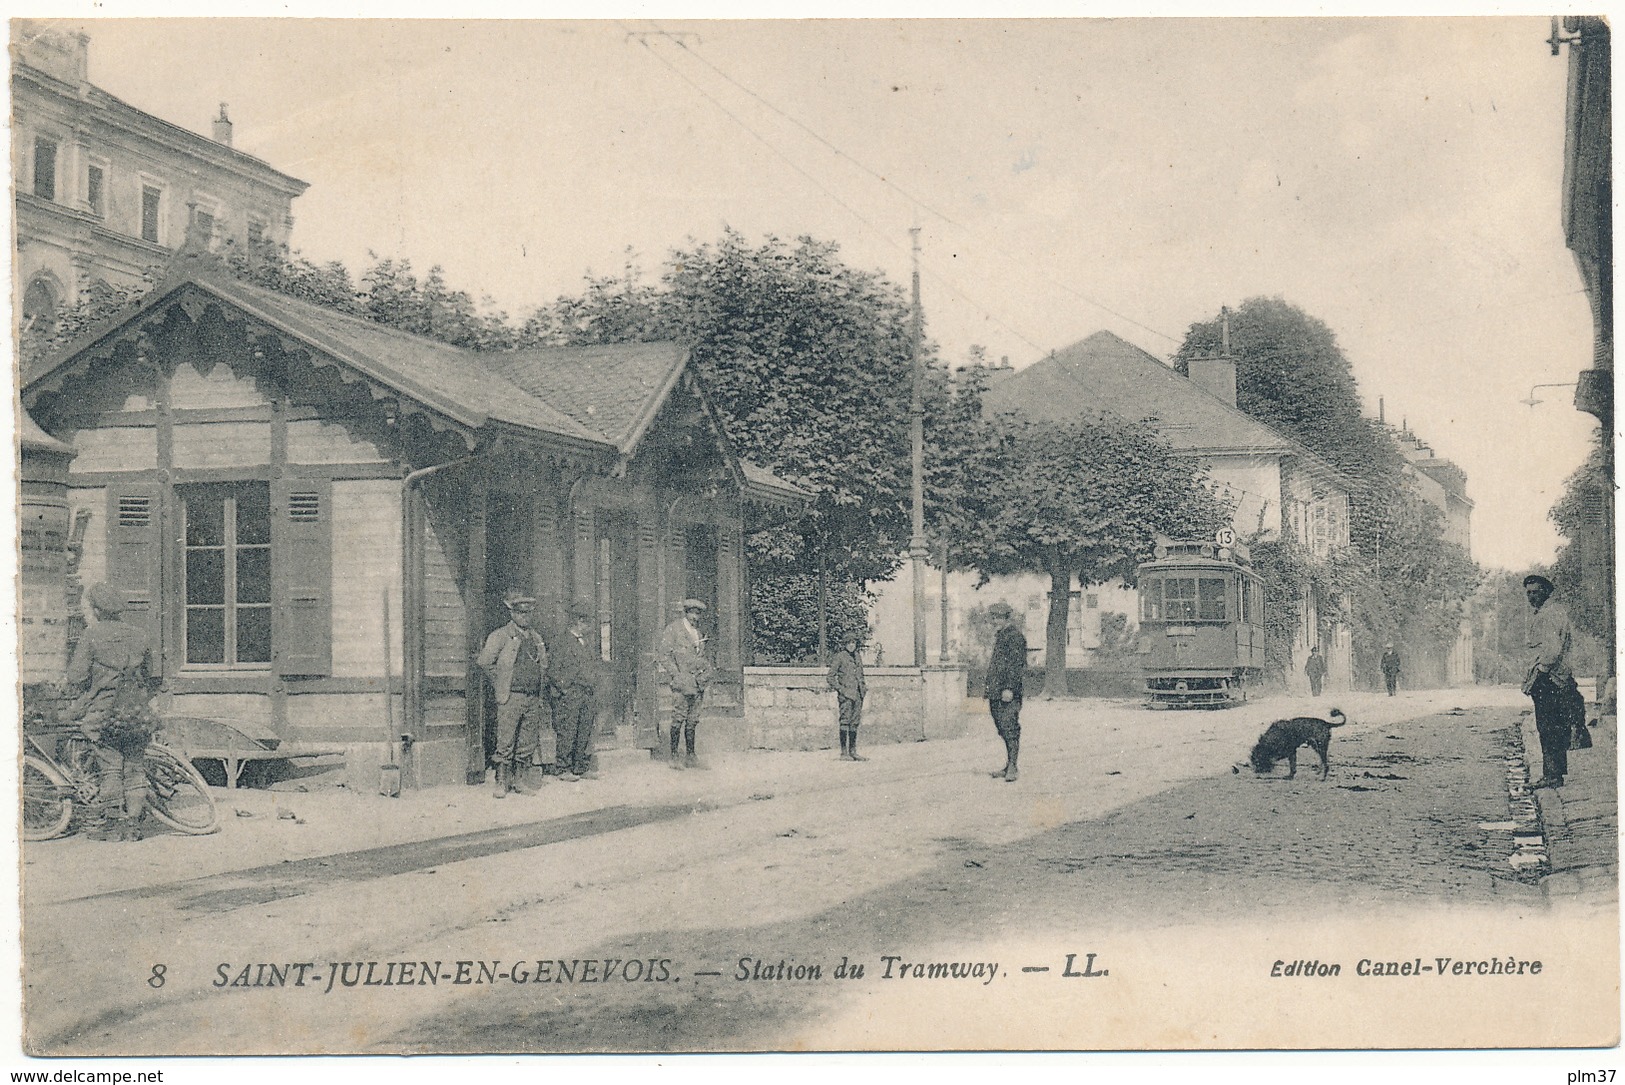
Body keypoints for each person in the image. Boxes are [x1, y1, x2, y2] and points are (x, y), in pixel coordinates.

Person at [65, 583, 157, 841]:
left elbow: (76, 676)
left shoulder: (92, 635)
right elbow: (151, 677)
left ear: (95, 609)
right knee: (135, 769)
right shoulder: (140, 635)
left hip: (104, 716)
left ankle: (114, 829)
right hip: (136, 714)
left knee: (111, 770)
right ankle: (133, 828)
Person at [476, 590, 548, 798]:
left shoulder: (536, 638)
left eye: (528, 613)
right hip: (511, 697)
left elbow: (543, 664)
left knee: (526, 742)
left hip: (532, 698)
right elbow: (484, 662)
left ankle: (519, 781)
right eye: (520, 613)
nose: (525, 617)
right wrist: (500, 681)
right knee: (505, 741)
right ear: (513, 614)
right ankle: (501, 783)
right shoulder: (500, 636)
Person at [1521, 574, 1586, 789]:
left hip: (1550, 679)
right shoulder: (1552, 612)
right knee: (1554, 727)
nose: (1531, 597)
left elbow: (1551, 650)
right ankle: (1555, 773)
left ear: (1546, 592)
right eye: (1528, 592)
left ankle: (1552, 775)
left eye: (1535, 592)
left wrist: (1540, 673)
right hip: (1556, 678)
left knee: (1548, 728)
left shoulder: (1548, 615)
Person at [657, 599, 716, 769]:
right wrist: (676, 674)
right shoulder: (674, 630)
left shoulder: (698, 633)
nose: (695, 617)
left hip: (698, 684)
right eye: (692, 613)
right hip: (681, 683)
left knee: (693, 720)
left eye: (698, 614)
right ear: (686, 612)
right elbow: (663, 655)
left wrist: (704, 675)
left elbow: (702, 657)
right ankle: (674, 757)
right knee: (678, 718)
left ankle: (691, 756)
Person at [548, 602, 601, 781]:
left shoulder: (585, 643)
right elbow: (553, 670)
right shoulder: (561, 642)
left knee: (584, 730)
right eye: (587, 623)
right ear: (579, 621)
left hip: (586, 694)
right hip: (571, 695)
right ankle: (563, 768)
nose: (589, 626)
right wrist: (566, 690)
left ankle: (580, 766)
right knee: (567, 731)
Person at [985, 601, 1027, 783]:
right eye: (993, 618)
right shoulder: (1001, 636)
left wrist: (1009, 688)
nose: (995, 621)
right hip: (996, 691)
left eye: (998, 618)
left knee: (1009, 726)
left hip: (1008, 691)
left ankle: (1013, 767)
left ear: (1006, 618)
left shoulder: (1015, 637)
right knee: (1001, 726)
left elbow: (1016, 666)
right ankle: (1008, 764)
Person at [828, 634, 868, 762]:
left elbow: (861, 674)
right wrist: (841, 690)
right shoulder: (840, 657)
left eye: (854, 643)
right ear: (844, 644)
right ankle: (844, 753)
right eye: (849, 642)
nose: (852, 645)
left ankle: (853, 751)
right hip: (846, 695)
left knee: (854, 722)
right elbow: (830, 677)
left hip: (858, 694)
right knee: (845, 721)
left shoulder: (857, 656)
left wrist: (863, 687)